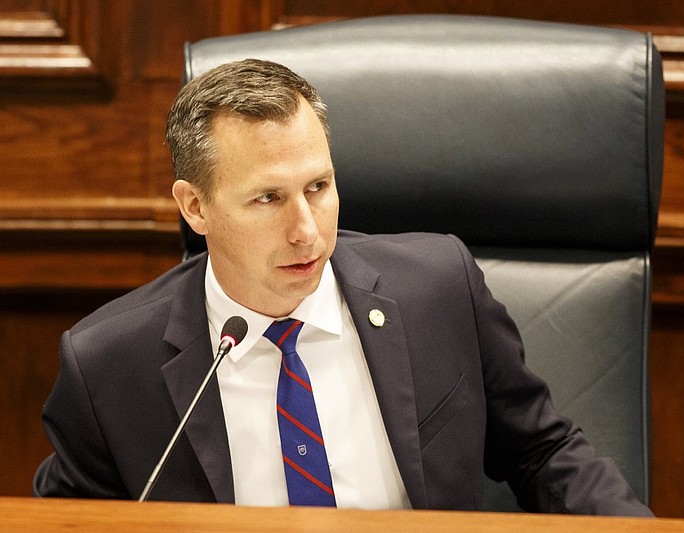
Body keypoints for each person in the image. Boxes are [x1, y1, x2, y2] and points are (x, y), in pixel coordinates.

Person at [34, 58, 652, 516]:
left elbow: (542, 452)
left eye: (318, 188)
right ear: (195, 208)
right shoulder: (110, 366)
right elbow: (69, 522)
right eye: (268, 198)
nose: (306, 230)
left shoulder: (438, 291)